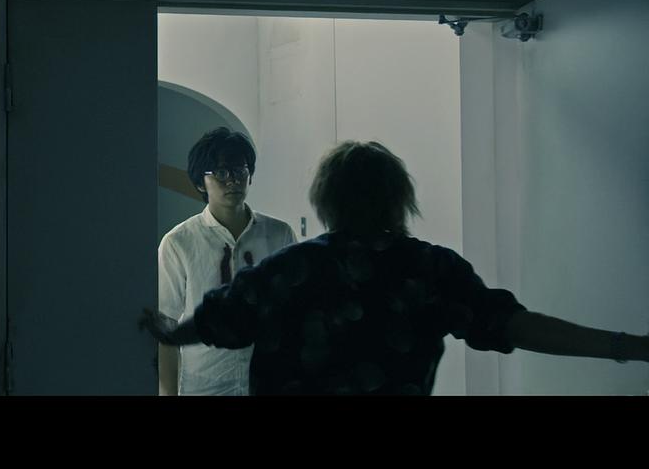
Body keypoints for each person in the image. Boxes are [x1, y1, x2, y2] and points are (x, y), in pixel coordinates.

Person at [142, 140, 649, 394]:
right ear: (400, 198)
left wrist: (167, 330)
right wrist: (625, 346)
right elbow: (514, 325)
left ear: (327, 200)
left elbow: (217, 320)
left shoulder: (293, 267)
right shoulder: (431, 270)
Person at [158, 127, 296, 395]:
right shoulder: (178, 243)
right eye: (221, 173)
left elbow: (292, 313)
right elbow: (166, 328)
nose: (233, 180)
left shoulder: (280, 234)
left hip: (267, 382)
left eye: (240, 170)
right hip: (204, 387)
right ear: (201, 183)